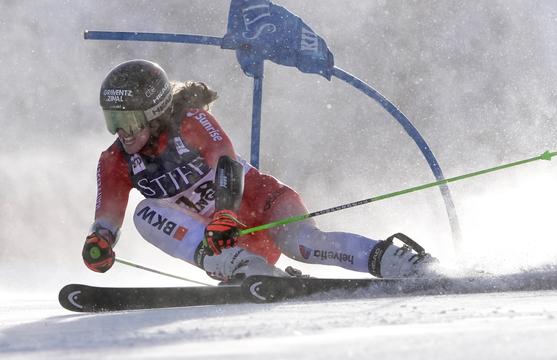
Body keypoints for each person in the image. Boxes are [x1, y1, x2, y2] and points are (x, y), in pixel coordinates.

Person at [82, 59, 437, 283]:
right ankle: (244, 268)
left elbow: (227, 164)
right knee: (145, 213)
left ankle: (400, 262)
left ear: (155, 111)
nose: (121, 132)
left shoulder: (191, 122)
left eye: (128, 120)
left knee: (304, 245)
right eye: (112, 120)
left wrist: (224, 213)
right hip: (228, 245)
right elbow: (108, 217)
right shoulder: (114, 160)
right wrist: (100, 241)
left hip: (263, 206)